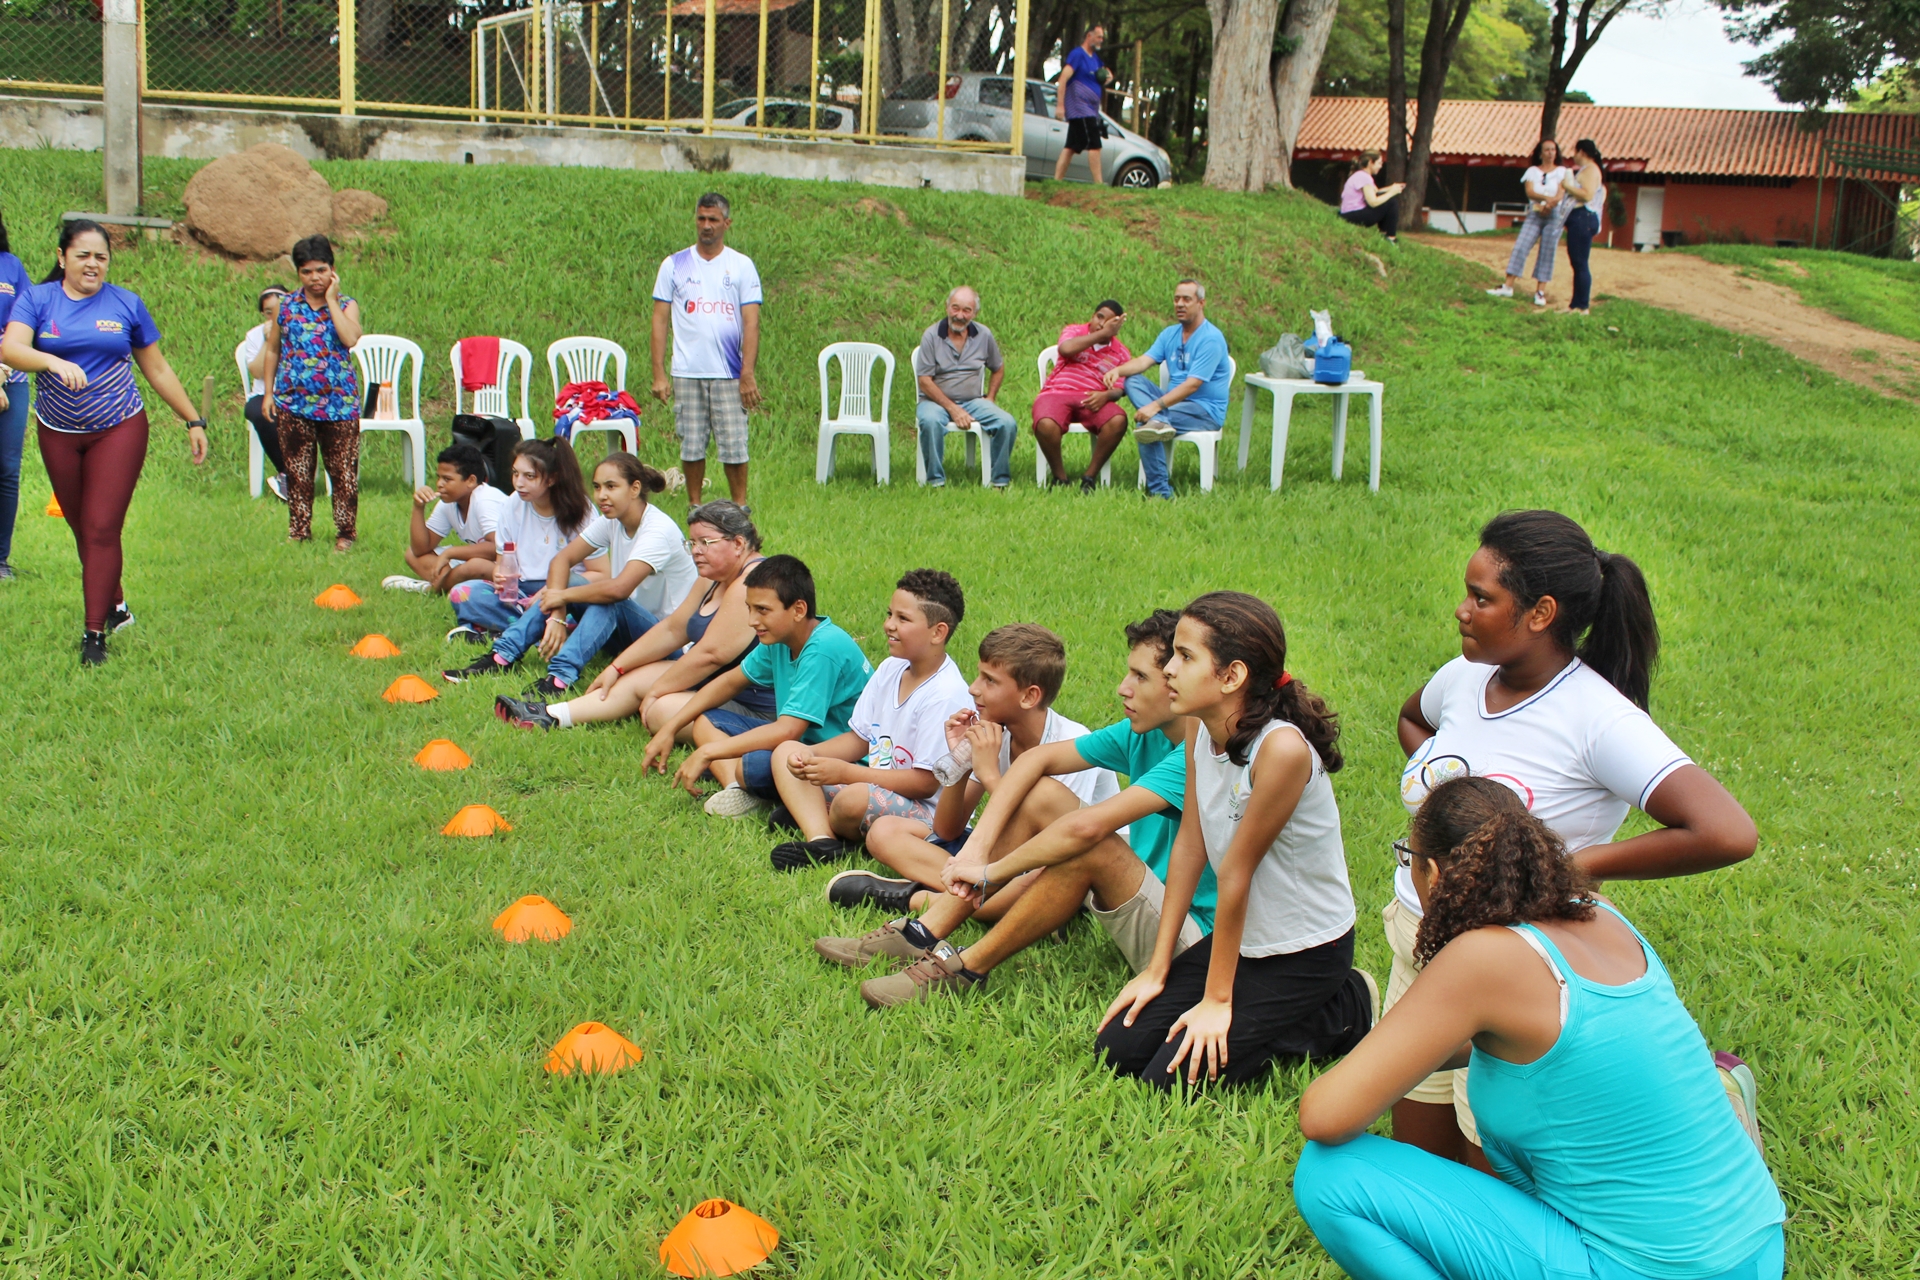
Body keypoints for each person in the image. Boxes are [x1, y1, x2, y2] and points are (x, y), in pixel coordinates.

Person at [1293, 776, 1785, 1280]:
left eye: (1408, 858)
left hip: (1650, 1271)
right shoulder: (1600, 913)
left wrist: (1379, 1057)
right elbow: (1561, 1047)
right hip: (1759, 1252)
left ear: (1433, 875)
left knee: (1328, 1174)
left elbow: (1324, 1116)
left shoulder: (1481, 959)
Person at [1386, 509, 1759, 1167]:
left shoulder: (1598, 719)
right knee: (1419, 1162)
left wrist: (1580, 863)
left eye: (1481, 598)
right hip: (1416, 942)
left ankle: (1719, 1093)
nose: (1462, 610)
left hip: (1511, 969)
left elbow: (1727, 831)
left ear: (1540, 613)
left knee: (1490, 1172)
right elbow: (1413, 718)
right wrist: (1442, 781)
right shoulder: (1466, 677)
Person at [836, 610, 1227, 1010]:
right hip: (1144, 899)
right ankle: (922, 932)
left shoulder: (1200, 754)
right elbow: (1033, 763)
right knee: (1038, 796)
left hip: (1195, 944)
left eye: (1140, 677)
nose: (1122, 688)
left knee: (1085, 844)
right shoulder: (1142, 734)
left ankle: (963, 966)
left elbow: (1083, 830)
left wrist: (989, 872)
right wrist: (975, 850)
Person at [1095, 592, 1376, 1089]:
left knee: (1170, 1079)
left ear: (1232, 676)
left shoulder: (1281, 750)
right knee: (1118, 1049)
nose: (1169, 670)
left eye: (1185, 657)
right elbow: (1190, 844)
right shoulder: (1199, 729)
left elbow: (1235, 873)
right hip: (1243, 939)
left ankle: (1347, 1005)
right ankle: (1266, 1012)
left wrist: (1217, 1000)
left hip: (1303, 951)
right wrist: (1157, 968)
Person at [1, 219, 210, 665]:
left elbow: (157, 369)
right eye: (83, 255)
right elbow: (11, 348)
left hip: (119, 427)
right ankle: (115, 604)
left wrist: (193, 419)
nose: (93, 264)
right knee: (82, 527)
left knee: (100, 528)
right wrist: (52, 362)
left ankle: (94, 635)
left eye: (101, 256)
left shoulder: (125, 304)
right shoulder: (38, 299)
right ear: (62, 258)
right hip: (58, 430)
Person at [847, 623, 1119, 901]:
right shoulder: (996, 733)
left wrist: (989, 774)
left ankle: (923, 898)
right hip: (1005, 856)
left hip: (1058, 863)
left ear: (1029, 696)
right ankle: (974, 895)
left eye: (989, 680)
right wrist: (961, 762)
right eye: (979, 675)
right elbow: (947, 830)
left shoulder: (1072, 743)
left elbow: (1049, 846)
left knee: (1034, 884)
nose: (973, 688)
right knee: (884, 832)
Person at [494, 500, 772, 732]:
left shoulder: (751, 583)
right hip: (718, 685)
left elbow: (710, 655)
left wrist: (658, 690)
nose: (696, 551)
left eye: (705, 542)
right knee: (637, 677)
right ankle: (548, 715)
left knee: (659, 709)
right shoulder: (712, 578)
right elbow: (673, 629)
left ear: (738, 543)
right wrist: (617, 667)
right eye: (692, 543)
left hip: (756, 710)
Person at [766, 569, 976, 870]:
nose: (889, 625)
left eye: (903, 619)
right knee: (787, 750)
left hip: (928, 813)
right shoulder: (891, 668)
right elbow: (859, 739)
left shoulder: (946, 694)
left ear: (938, 632)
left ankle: (823, 818)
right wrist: (810, 758)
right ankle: (822, 838)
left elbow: (925, 784)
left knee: (852, 799)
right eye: (890, 614)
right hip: (876, 786)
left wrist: (845, 772)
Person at [640, 554, 873, 822]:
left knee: (754, 766)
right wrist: (671, 727)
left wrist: (708, 752)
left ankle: (756, 785)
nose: (752, 620)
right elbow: (729, 682)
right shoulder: (779, 640)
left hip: (842, 760)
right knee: (707, 722)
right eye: (749, 608)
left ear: (798, 610)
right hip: (800, 746)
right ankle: (737, 790)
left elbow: (788, 730)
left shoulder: (823, 648)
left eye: (762, 610)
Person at [445, 452, 693, 697]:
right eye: (597, 487)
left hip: (670, 644)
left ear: (635, 488)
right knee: (578, 584)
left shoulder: (657, 531)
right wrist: (558, 615)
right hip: (631, 635)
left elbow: (620, 589)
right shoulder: (612, 520)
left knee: (609, 599)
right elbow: (562, 560)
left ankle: (559, 677)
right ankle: (501, 656)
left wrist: (562, 596)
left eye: (611, 487)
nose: (601, 495)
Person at [651, 192, 762, 506]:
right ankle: (694, 505)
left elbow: (751, 322)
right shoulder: (674, 265)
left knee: (734, 445)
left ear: (727, 223)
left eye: (713, 219)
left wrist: (747, 373)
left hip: (729, 372)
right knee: (691, 444)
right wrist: (659, 374)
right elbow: (659, 319)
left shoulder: (741, 266)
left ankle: (739, 506)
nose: (706, 225)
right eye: (701, 218)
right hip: (687, 370)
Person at [260, 234, 363, 550]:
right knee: (298, 472)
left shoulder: (346, 305)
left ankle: (345, 533)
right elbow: (273, 349)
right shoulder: (286, 306)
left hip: (339, 404)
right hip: (294, 403)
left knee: (343, 473)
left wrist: (331, 300)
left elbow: (350, 338)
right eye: (307, 272)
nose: (315, 278)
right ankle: (299, 531)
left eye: (321, 270)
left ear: (332, 270)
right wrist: (268, 393)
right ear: (298, 273)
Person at [441, 437, 593, 647]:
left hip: (563, 595)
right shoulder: (513, 504)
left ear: (552, 478)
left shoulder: (581, 510)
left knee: (574, 612)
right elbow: (502, 562)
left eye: (529, 476)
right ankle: (534, 631)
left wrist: (549, 592)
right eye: (515, 473)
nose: (519, 483)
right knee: (463, 593)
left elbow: (600, 573)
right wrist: (500, 576)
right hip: (520, 592)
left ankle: (505, 630)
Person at [1102, 279, 1232, 501]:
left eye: (1187, 299)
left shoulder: (1211, 339)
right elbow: (1144, 361)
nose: (1180, 304)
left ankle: (1161, 493)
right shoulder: (1170, 334)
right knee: (1133, 381)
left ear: (1201, 303)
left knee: (1146, 426)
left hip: (1204, 410)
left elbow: (1193, 385)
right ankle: (1159, 422)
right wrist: (1118, 370)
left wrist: (1155, 407)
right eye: (1176, 299)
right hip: (1173, 405)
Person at [914, 287, 1016, 490]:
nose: (959, 315)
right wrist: (953, 408)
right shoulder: (931, 336)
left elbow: (998, 367)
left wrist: (991, 397)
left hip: (973, 401)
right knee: (930, 421)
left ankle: (999, 481)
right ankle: (936, 482)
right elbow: (924, 380)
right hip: (934, 402)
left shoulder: (983, 334)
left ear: (974, 313)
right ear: (947, 307)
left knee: (1007, 423)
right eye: (955, 308)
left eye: (966, 310)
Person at [383, 443, 509, 595]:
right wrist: (418, 507)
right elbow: (420, 549)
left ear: (470, 480)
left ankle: (431, 589)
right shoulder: (448, 503)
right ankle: (451, 583)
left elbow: (497, 547)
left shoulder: (485, 500)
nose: (439, 484)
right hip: (486, 563)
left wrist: (450, 553)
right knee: (412, 554)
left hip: (511, 567)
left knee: (475, 566)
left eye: (447, 479)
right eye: (439, 477)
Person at [1033, 299, 1132, 491]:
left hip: (1094, 398)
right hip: (1057, 392)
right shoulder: (1074, 331)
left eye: (1109, 322)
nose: (1101, 324)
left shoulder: (1121, 353)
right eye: (1099, 317)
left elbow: (1120, 388)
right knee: (1045, 424)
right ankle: (1060, 478)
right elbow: (1065, 349)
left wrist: (1106, 396)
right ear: (1092, 316)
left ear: (1118, 326)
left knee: (1118, 420)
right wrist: (1103, 333)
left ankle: (1089, 478)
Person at [1486, 140, 1570, 306]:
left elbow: (1561, 193)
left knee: (1547, 251)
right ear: (1540, 153)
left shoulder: (1561, 171)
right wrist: (1546, 200)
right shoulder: (1532, 171)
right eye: (1547, 150)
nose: (1550, 153)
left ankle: (1540, 291)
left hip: (1554, 214)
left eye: (1553, 150)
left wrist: (1550, 205)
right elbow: (1530, 192)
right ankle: (1508, 285)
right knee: (1521, 246)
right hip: (1535, 212)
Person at [0, 210, 35, 580]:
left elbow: (25, 322)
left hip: (11, 375)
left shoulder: (11, 266)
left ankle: (0, 560)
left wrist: (2, 368)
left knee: (7, 469)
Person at [237, 285, 291, 502]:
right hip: (264, 394)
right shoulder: (255, 336)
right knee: (259, 412)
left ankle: (293, 477)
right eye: (269, 312)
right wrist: (270, 342)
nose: (275, 316)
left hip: (295, 394)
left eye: (279, 310)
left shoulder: (301, 329)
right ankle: (288, 474)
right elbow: (257, 372)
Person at [1053, 24, 1111, 183]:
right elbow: (1063, 79)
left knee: (1071, 147)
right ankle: (1099, 185)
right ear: (1089, 36)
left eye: (1102, 37)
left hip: (1091, 109)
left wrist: (1108, 77)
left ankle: (1056, 181)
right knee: (1095, 145)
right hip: (1080, 108)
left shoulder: (1096, 59)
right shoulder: (1078, 54)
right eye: (1098, 37)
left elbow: (1104, 75)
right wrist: (1060, 105)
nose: (1101, 40)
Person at [1560, 139, 1607, 315]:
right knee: (1577, 263)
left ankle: (1582, 305)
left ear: (1581, 152)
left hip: (1583, 218)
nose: (1574, 155)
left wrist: (1567, 186)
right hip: (1578, 219)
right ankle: (1575, 304)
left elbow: (1587, 195)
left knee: (1580, 263)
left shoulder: (1591, 170)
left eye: (1575, 151)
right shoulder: (1587, 169)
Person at [1338, 151, 1406, 242]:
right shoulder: (1364, 177)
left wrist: (1392, 188)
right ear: (1370, 162)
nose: (1381, 166)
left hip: (1348, 214)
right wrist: (1391, 193)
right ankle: (1391, 238)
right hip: (1353, 215)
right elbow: (1372, 202)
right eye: (1379, 163)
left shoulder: (1361, 175)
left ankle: (1385, 234)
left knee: (1387, 200)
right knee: (1391, 202)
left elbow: (1376, 192)